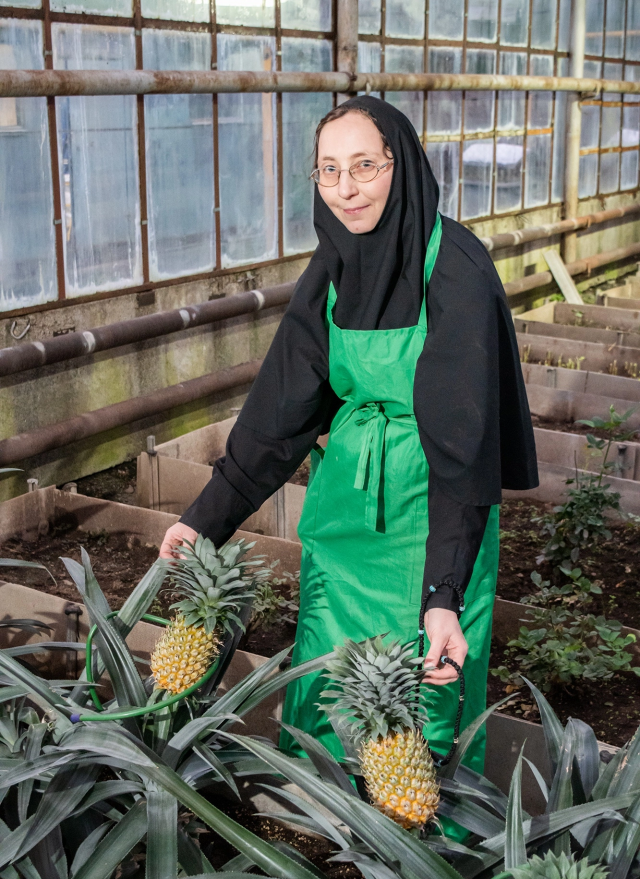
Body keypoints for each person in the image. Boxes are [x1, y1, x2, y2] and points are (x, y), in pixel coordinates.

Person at [159, 96, 538, 777]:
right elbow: (281, 412)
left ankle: (422, 845)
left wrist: (443, 594)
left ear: (403, 166)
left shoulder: (453, 269)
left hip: (434, 515)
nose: (346, 189)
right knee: (327, 671)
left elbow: (463, 444)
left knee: (422, 690)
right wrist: (203, 518)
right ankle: (322, 822)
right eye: (328, 171)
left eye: (364, 166)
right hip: (343, 518)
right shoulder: (332, 269)